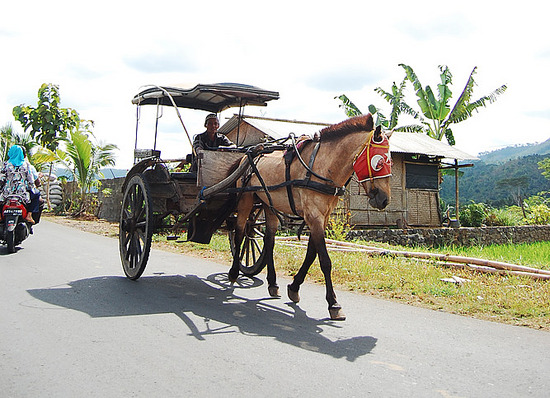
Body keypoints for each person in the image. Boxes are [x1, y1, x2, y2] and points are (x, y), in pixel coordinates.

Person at [0, 145, 36, 223]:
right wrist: (32, 187)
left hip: (6, 194)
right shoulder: (26, 165)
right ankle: (29, 215)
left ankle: (0, 214)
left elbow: (1, 179)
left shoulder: (6, 164)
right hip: (22, 195)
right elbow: (31, 180)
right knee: (36, 195)